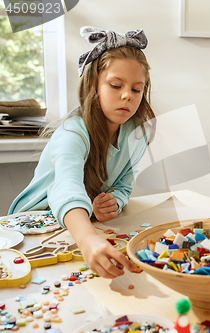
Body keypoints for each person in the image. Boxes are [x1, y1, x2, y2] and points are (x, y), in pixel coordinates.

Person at [9, 26, 155, 279]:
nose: (126, 96)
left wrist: (113, 203)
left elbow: (123, 186)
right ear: (93, 86)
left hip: (84, 222)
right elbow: (65, 188)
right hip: (35, 226)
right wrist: (88, 240)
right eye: (116, 85)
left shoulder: (136, 133)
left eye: (136, 89)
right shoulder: (72, 132)